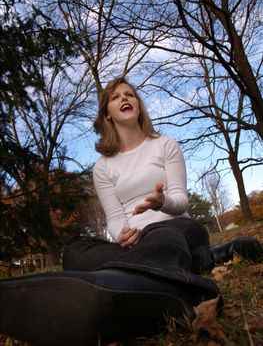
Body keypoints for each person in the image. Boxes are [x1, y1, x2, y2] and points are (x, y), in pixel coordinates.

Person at [0, 77, 262, 346]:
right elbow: (114, 217)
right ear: (107, 115)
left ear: (138, 104)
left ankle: (180, 292)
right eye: (115, 97)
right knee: (75, 252)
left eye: (130, 94)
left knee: (163, 237)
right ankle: (191, 265)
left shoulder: (165, 145)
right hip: (135, 244)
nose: (124, 99)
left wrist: (163, 204)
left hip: (177, 227)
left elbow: (181, 200)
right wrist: (122, 234)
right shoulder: (102, 167)